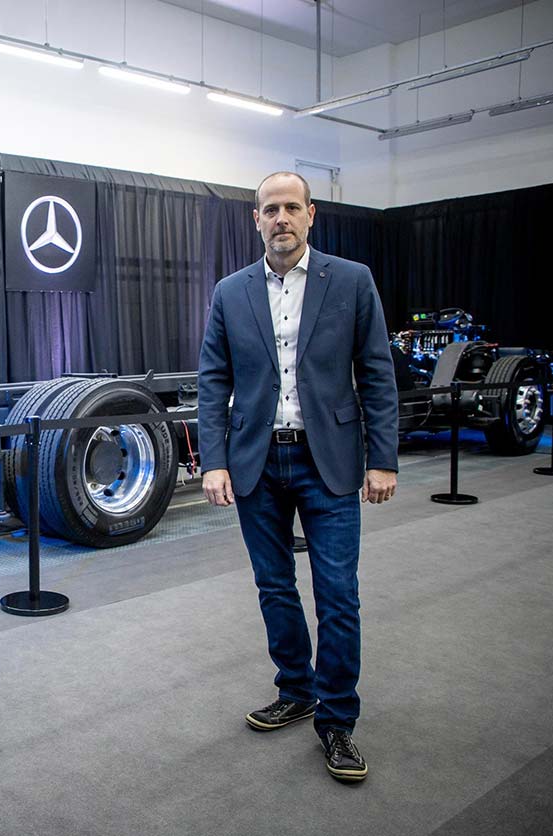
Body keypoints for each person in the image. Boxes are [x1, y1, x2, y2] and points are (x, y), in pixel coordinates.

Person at [197, 171, 399, 783]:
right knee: (274, 586)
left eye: (291, 207)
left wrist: (383, 458)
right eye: (270, 209)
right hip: (256, 460)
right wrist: (214, 460)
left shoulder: (352, 280)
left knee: (338, 594)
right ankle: (296, 689)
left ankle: (337, 720)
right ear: (255, 220)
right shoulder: (230, 292)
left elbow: (377, 373)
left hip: (327, 459)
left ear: (311, 214)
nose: (280, 218)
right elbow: (213, 380)